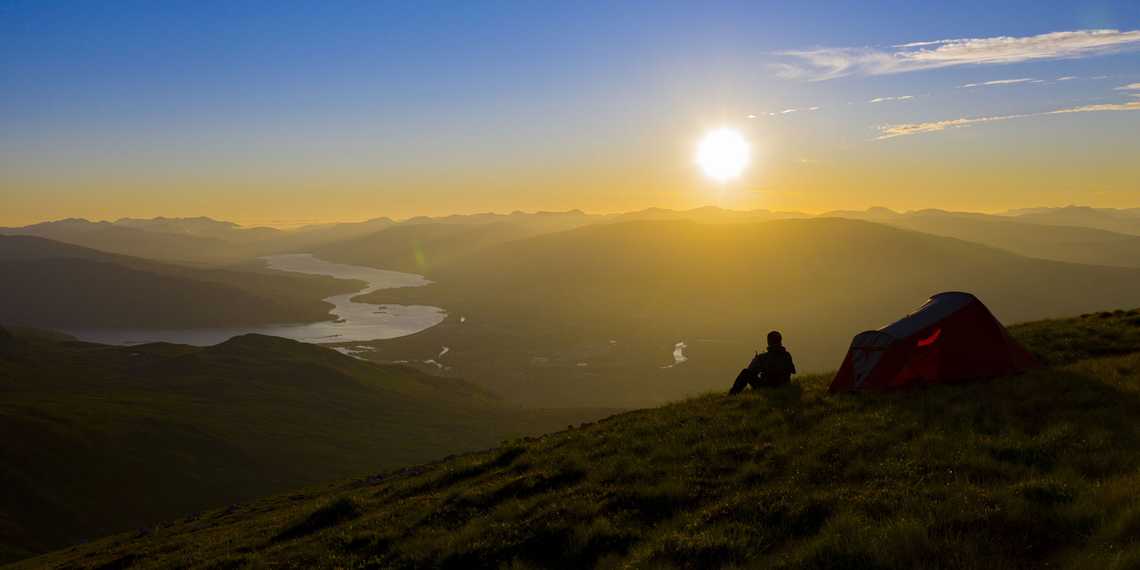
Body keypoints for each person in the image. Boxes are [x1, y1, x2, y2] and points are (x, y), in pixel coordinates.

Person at [729, 330, 796, 394]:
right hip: (784, 386)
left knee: (745, 373)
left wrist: (755, 360)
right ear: (780, 341)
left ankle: (732, 394)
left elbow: (752, 370)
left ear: (769, 342)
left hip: (767, 387)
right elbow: (793, 371)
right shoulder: (787, 355)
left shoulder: (763, 357)